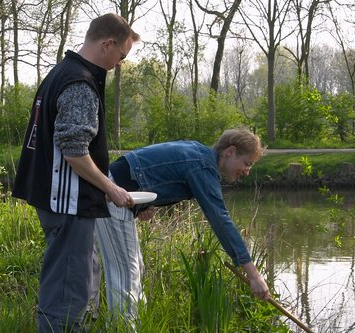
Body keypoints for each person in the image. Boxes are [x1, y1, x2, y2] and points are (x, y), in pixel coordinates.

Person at [12, 13, 140, 333]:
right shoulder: (80, 83)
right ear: (107, 44)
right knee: (68, 283)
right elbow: (74, 152)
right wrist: (110, 189)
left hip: (57, 197)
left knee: (81, 275)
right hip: (66, 200)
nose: (119, 64)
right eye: (121, 56)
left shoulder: (62, 72)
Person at [95, 128, 271, 323]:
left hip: (122, 193)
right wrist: (253, 275)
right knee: (125, 273)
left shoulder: (199, 153)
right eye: (247, 163)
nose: (247, 171)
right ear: (230, 151)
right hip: (112, 194)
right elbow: (220, 220)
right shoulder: (202, 166)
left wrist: (141, 205)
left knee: (135, 268)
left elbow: (151, 170)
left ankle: (131, 332)